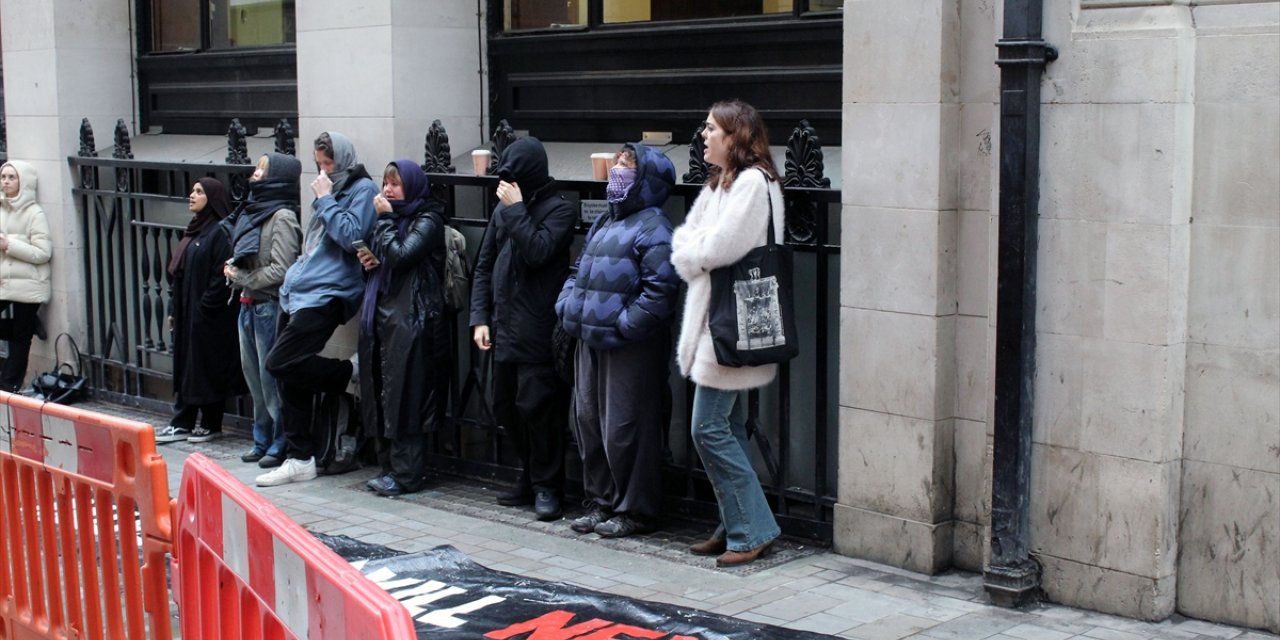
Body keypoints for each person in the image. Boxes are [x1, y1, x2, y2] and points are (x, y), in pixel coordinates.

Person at [669, 99, 785, 567]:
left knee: (708, 427)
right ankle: (735, 520)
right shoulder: (721, 182)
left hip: (730, 325)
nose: (703, 135)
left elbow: (720, 245)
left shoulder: (754, 183)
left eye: (711, 128)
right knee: (729, 427)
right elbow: (685, 237)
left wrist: (697, 252)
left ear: (734, 136)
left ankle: (752, 527)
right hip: (717, 323)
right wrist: (697, 251)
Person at [556, 143, 679, 538]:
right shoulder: (605, 222)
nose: (617, 170)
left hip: (628, 348)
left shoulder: (655, 226)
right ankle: (601, 501)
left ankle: (635, 509)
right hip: (588, 339)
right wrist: (567, 305)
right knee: (588, 423)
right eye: (620, 162)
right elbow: (577, 270)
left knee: (625, 429)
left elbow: (661, 290)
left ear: (646, 179)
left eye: (628, 164)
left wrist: (626, 326)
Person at [257, 131, 377, 487]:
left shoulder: (363, 190)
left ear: (343, 160)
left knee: (279, 360)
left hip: (329, 293)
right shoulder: (334, 190)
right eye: (320, 164)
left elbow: (353, 237)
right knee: (287, 373)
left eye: (329, 164)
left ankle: (348, 375)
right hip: (299, 291)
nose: (324, 171)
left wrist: (325, 199)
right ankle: (300, 456)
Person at [471, 137, 577, 521]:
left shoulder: (559, 211)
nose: (507, 185)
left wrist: (515, 211)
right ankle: (528, 477)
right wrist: (479, 317)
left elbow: (537, 251)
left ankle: (549, 486)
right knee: (506, 405)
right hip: (503, 327)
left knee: (540, 408)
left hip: (537, 328)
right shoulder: (504, 212)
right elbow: (484, 266)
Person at [357, 160, 449, 497]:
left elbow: (402, 255)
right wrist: (370, 262)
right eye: (385, 182)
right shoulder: (395, 219)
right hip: (385, 316)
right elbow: (388, 261)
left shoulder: (427, 220)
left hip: (413, 319)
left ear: (410, 186)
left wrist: (384, 219)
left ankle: (407, 474)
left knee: (407, 397)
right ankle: (389, 468)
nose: (387, 190)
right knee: (384, 392)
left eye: (395, 184)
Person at [223, 153, 303, 468]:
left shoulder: (281, 216)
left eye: (261, 169)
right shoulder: (253, 212)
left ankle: (280, 441)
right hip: (246, 303)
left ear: (277, 178)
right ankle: (262, 438)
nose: (254, 174)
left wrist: (241, 276)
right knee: (253, 378)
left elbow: (282, 269)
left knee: (270, 380)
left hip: (268, 305)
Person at [156, 178, 243, 443]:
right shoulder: (195, 229)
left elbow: (222, 274)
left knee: (205, 368)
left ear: (213, 198)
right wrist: (175, 309)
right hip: (189, 312)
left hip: (209, 316)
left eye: (199, 192)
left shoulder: (219, 231)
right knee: (188, 365)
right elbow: (179, 275)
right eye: (192, 191)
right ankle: (183, 421)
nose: (191, 196)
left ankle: (209, 422)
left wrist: (205, 307)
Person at [0, 161, 51, 393]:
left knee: (21, 340)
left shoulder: (35, 213)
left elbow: (43, 253)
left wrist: (9, 244)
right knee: (21, 332)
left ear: (24, 182)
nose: (6, 182)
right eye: (3, 177)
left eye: (12, 177)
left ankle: (8, 385)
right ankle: (31, 325)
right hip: (5, 282)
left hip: (29, 284)